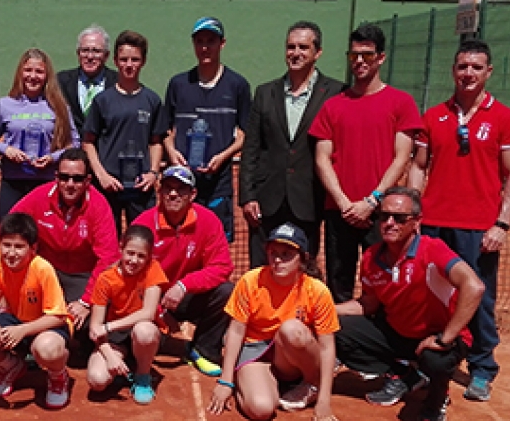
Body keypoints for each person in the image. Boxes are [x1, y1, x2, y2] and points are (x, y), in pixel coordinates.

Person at [408, 39, 510, 402]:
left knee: (479, 298)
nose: (468, 73)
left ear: (488, 71)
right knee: (430, 298)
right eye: (462, 66)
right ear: (453, 70)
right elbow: (418, 165)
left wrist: (501, 224)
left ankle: (481, 369)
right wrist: (414, 213)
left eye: (476, 67)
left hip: (478, 228)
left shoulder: (504, 118)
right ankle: (428, 363)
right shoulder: (434, 116)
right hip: (433, 225)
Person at [334, 187, 485, 421]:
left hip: (438, 338)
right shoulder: (372, 256)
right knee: (334, 328)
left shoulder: (432, 250)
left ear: (416, 222)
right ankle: (405, 374)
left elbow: (474, 286)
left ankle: (437, 397)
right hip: (399, 334)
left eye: (400, 218)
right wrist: (326, 310)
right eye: (383, 216)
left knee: (435, 361)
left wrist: (445, 339)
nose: (390, 223)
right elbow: (368, 304)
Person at [309, 23, 423, 303]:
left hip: (383, 212)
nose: (359, 61)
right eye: (354, 55)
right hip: (340, 211)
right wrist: (344, 202)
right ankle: (340, 341)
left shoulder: (401, 102)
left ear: (380, 58)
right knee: (339, 282)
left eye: (367, 55)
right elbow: (322, 158)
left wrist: (372, 201)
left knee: (384, 279)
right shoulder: (333, 105)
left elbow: (401, 158)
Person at [207, 223, 342, 421]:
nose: (278, 260)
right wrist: (226, 381)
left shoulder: (318, 291)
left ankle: (311, 384)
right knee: (261, 409)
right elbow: (235, 331)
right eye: (273, 253)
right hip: (255, 351)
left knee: (292, 330)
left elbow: (326, 346)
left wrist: (324, 400)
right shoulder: (250, 281)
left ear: (302, 259)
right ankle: (255, 382)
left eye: (286, 254)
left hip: (292, 354)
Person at [239, 21, 344, 267]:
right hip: (267, 200)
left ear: (317, 53)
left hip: (309, 199)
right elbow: (251, 148)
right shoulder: (265, 93)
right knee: (261, 268)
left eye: (303, 47)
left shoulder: (336, 93)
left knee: (303, 270)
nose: (295, 53)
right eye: (290, 47)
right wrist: (248, 196)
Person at [10, 148, 120, 353]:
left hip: (82, 276)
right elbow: (10, 227)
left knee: (88, 320)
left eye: (77, 179)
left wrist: (85, 301)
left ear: (88, 181)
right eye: (65, 177)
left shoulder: (98, 205)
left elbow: (109, 258)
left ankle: (77, 343)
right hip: (47, 271)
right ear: (56, 177)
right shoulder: (39, 197)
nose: (70, 184)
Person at [134, 166, 234, 377]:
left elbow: (222, 267)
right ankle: (167, 347)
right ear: (159, 192)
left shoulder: (208, 221)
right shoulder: (143, 224)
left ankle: (203, 350)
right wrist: (158, 311)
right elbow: (129, 275)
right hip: (151, 299)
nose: (173, 194)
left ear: (193, 195)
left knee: (227, 291)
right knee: (145, 337)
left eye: (181, 190)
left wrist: (184, 285)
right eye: (168, 188)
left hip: (187, 295)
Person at [0, 213, 72, 408]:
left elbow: (57, 316)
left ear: (33, 248)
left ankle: (58, 377)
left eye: (19, 247)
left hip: (46, 326)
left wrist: (22, 331)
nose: (11, 253)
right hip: (15, 321)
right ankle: (10, 366)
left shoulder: (43, 269)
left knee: (47, 349)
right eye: (6, 245)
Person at [163, 16, 250, 242]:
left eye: (210, 41)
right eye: (199, 41)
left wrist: (222, 157)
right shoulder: (178, 84)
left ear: (222, 43)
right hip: (182, 182)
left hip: (218, 184)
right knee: (180, 241)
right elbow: (166, 130)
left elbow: (244, 133)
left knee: (216, 244)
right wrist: (172, 153)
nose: (204, 47)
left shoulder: (237, 85)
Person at [82, 30, 168, 235]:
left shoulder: (152, 100)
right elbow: (88, 142)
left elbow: (156, 141)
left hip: (140, 189)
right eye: (124, 59)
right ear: (115, 61)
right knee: (107, 245)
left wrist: (153, 174)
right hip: (108, 187)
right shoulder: (102, 100)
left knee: (143, 243)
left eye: (135, 59)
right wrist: (102, 175)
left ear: (143, 62)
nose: (129, 65)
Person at [86, 225, 169, 405]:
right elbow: (95, 327)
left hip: (142, 331)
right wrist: (109, 355)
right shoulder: (106, 279)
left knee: (144, 331)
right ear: (121, 249)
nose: (134, 260)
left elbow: (148, 312)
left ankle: (142, 375)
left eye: (141, 256)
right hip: (116, 338)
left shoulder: (153, 270)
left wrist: (108, 327)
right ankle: (124, 363)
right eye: (130, 253)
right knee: (97, 380)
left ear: (149, 258)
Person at [0, 48, 78, 219]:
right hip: (13, 182)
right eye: (28, 70)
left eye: (39, 71)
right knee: (9, 232)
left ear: (46, 76)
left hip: (46, 183)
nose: (33, 76)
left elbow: (74, 143)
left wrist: (53, 158)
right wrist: (6, 149)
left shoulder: (60, 107)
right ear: (20, 72)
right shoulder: (4, 105)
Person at [57, 25, 118, 131]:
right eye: (85, 50)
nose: (90, 56)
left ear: (106, 55)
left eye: (96, 51)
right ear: (78, 53)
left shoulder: (118, 83)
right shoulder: (60, 82)